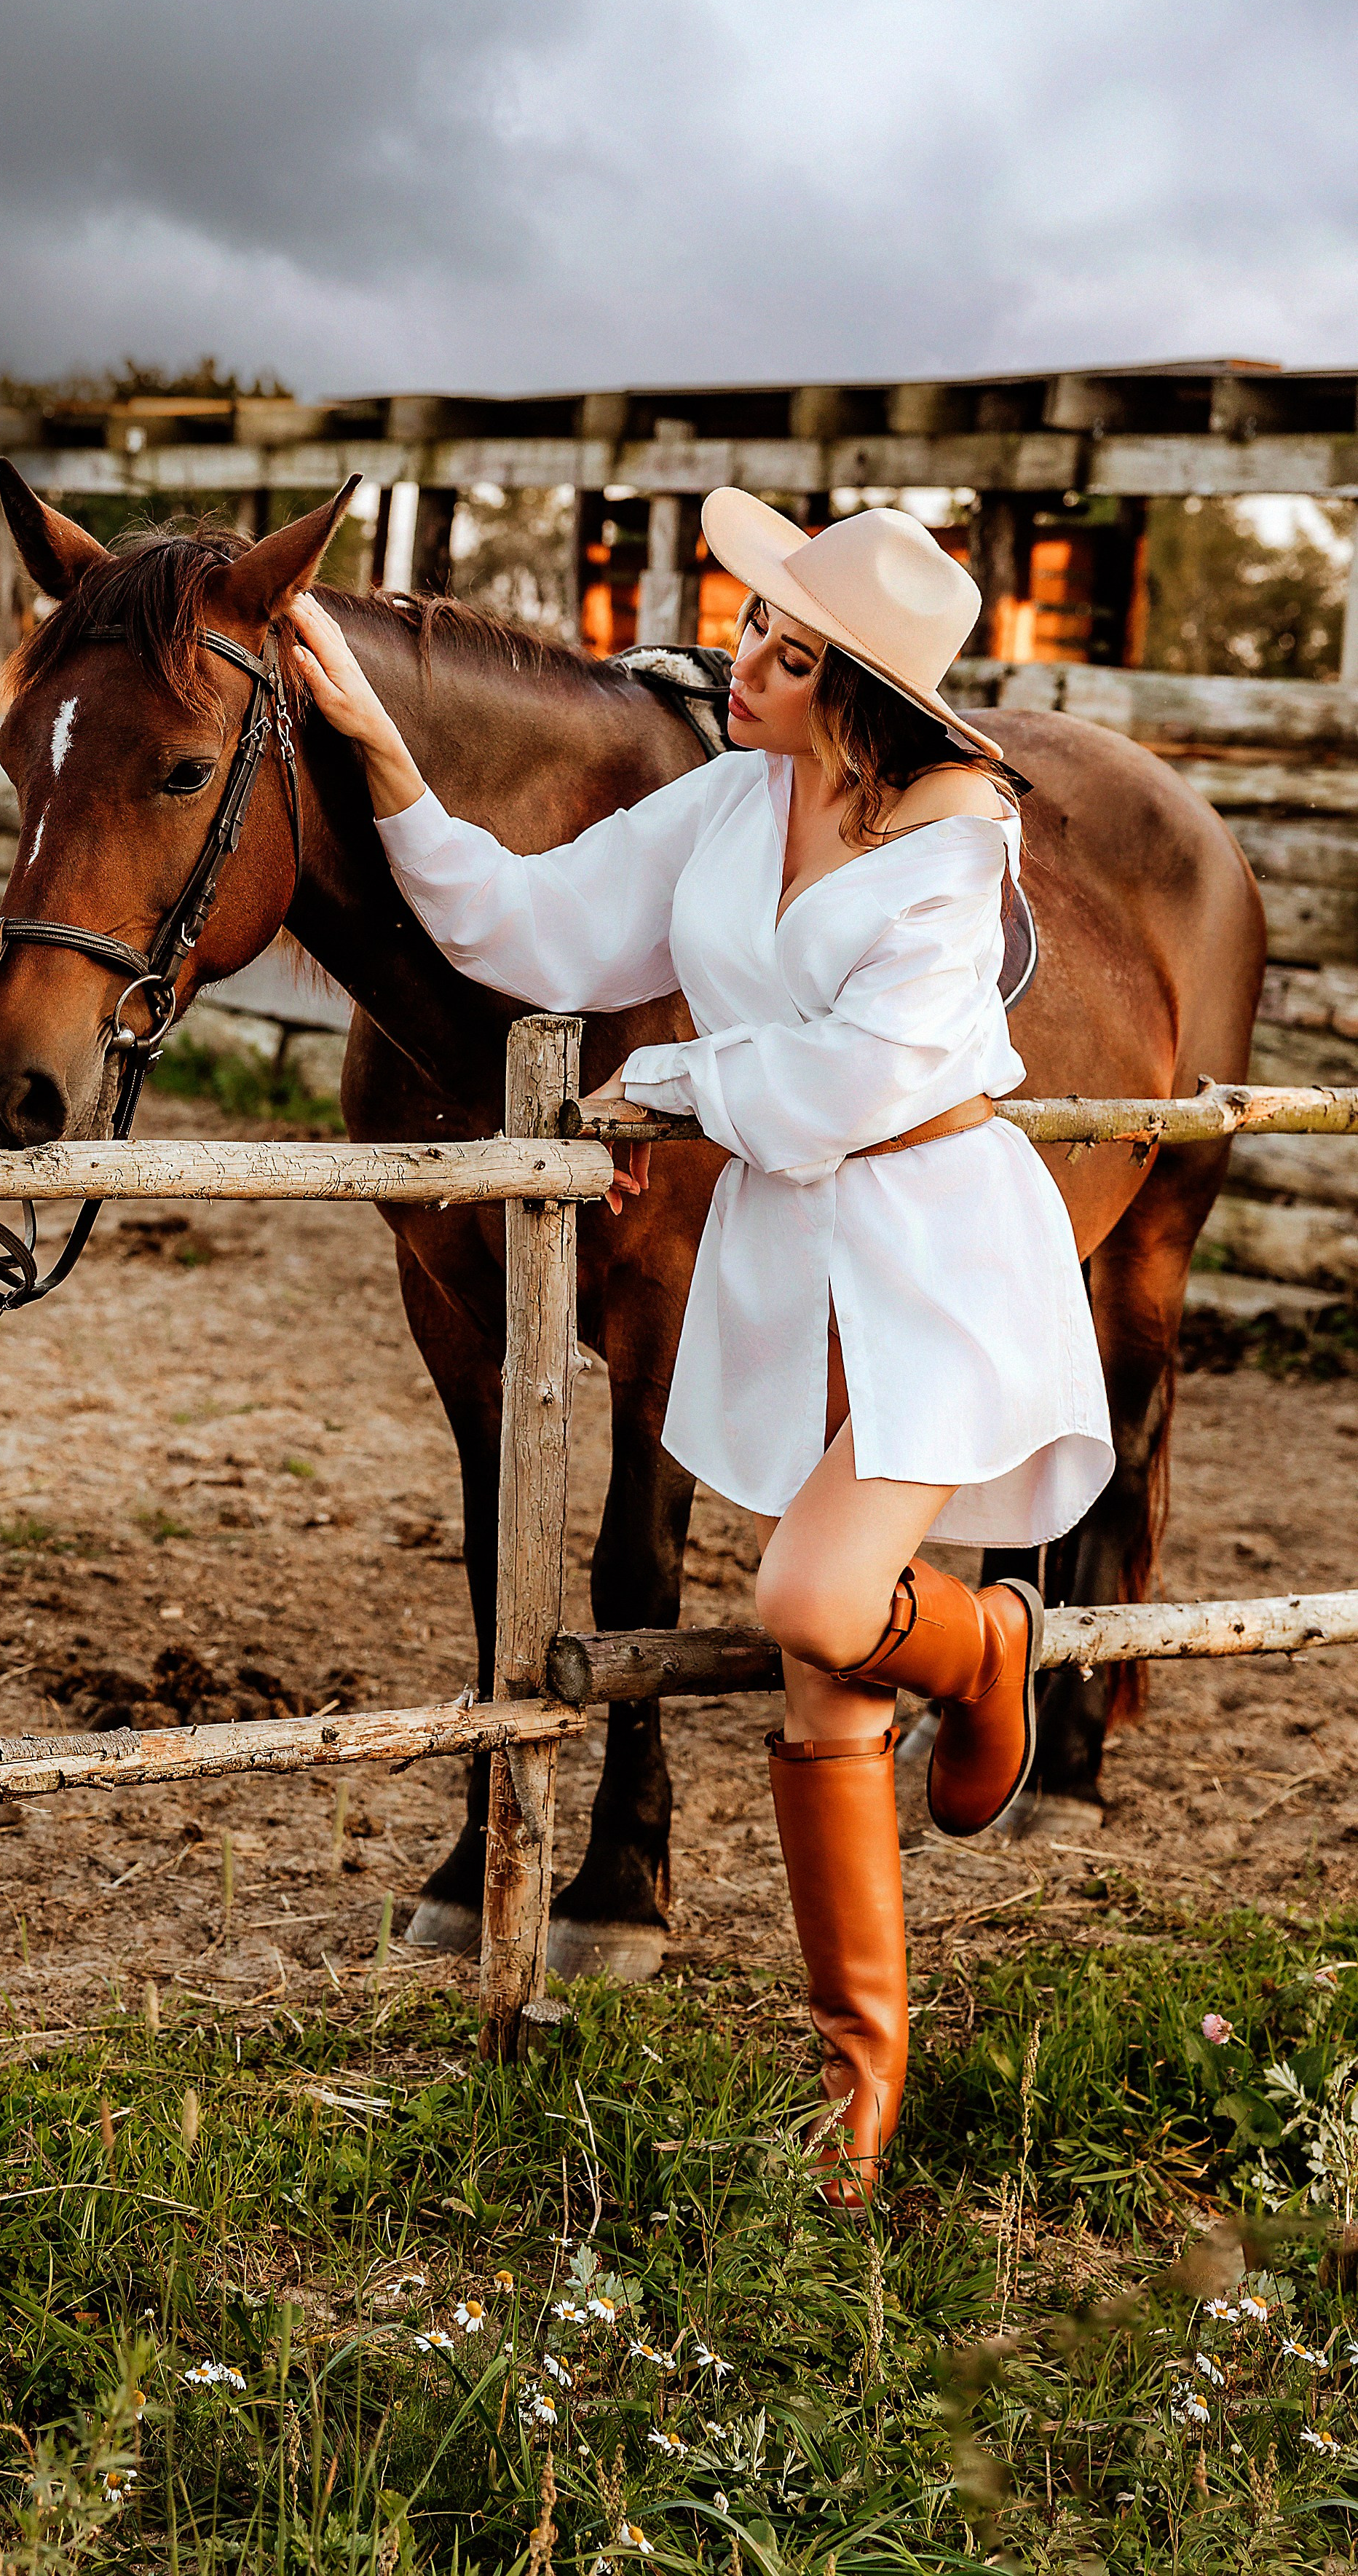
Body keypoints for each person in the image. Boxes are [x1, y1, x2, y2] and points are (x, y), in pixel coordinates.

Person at [288, 495, 1112, 2207]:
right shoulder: (730, 799)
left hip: (932, 1245)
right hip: (782, 1264)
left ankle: (990, 1642)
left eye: (786, 654)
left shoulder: (960, 839)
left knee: (810, 1607)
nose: (739, 663)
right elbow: (528, 932)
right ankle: (856, 2094)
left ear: (861, 689)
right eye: (749, 630)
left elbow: (853, 1083)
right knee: (821, 1676)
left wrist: (656, 1084)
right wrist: (380, 755)